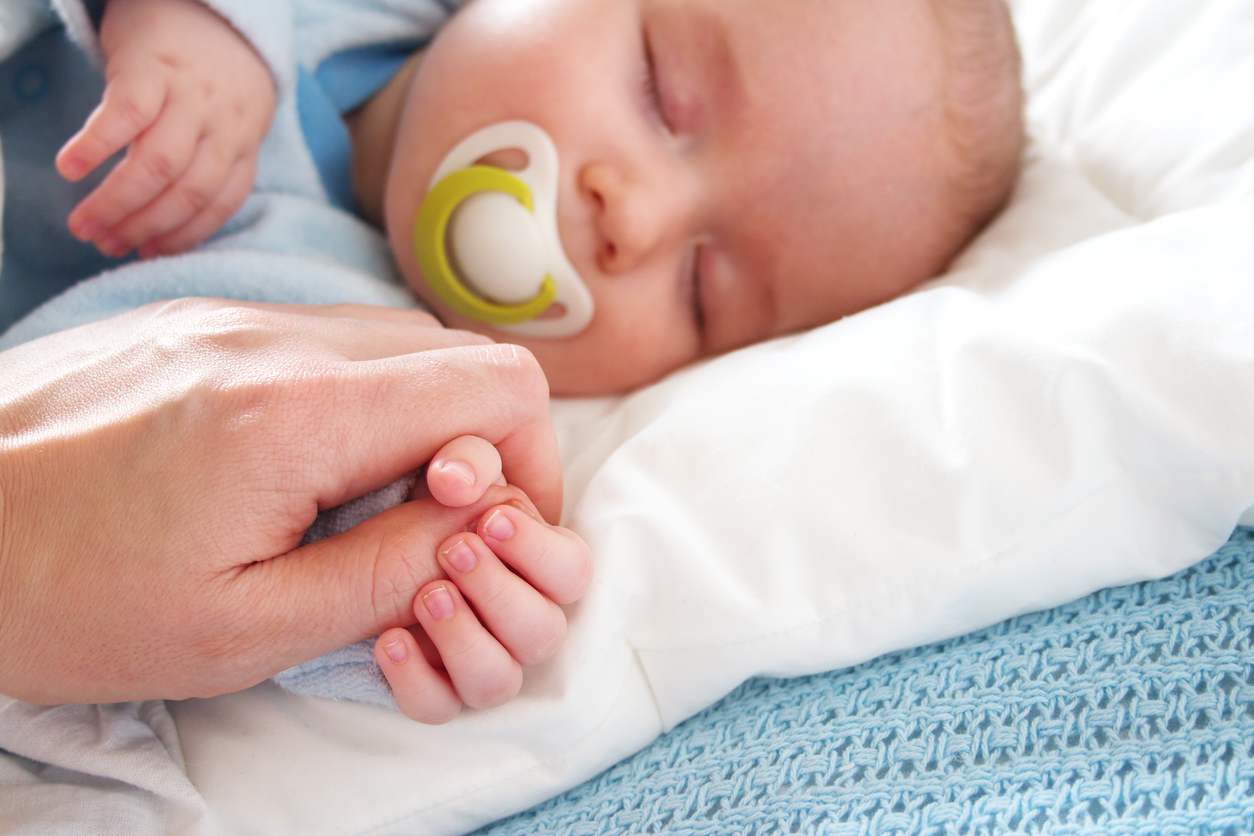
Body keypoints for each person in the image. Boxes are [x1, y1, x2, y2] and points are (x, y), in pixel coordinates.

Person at [26, 0, 1024, 719]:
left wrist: (436, 599)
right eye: (660, 96)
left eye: (702, 290)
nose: (633, 217)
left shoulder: (394, 397)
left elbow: (239, 596)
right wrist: (200, 23)